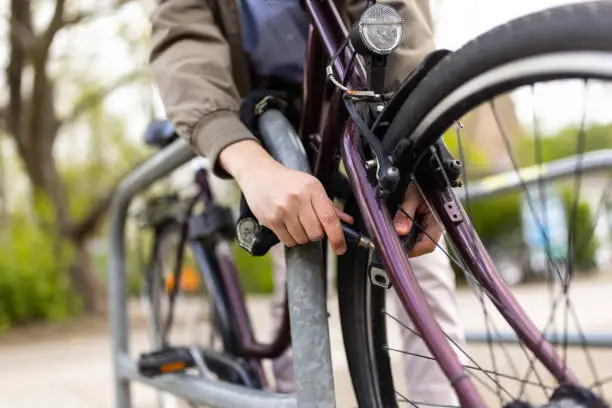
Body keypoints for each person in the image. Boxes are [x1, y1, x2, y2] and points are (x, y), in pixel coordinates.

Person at [150, 0, 465, 404]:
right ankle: (295, 392)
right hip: (274, 117)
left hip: (364, 95)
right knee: (295, 259)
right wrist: (250, 163)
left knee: (419, 256)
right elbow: (182, 38)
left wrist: (419, 136)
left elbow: (395, 11)